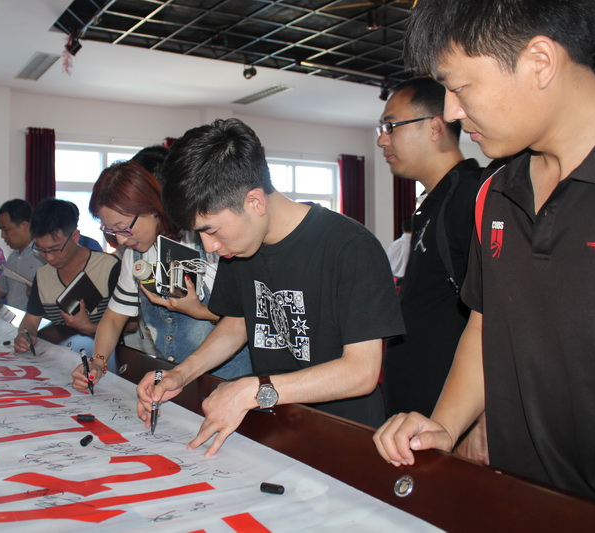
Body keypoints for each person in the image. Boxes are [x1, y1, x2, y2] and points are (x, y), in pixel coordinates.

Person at [373, 0, 595, 506]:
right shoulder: (494, 193)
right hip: (517, 492)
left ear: (539, 62)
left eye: (460, 88)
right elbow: (485, 326)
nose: (452, 112)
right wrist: (446, 424)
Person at [134, 118, 404, 457]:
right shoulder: (241, 247)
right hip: (275, 427)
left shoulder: (350, 247)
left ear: (255, 202)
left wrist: (255, 390)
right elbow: (239, 323)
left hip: (343, 436)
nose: (209, 246)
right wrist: (180, 374)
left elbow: (361, 372)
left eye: (211, 230)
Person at [70, 160, 251, 391]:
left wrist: (198, 310)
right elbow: (114, 318)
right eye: (111, 231)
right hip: (176, 378)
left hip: (228, 380)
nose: (121, 240)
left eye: (124, 228)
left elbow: (243, 319)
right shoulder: (135, 255)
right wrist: (98, 361)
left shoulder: (203, 241)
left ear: (153, 210)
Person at [378, 77, 483, 418]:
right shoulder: (434, 203)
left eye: (391, 126)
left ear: (435, 127)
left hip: (450, 414)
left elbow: (494, 320)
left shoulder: (471, 198)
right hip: (419, 409)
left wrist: (477, 419)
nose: (382, 139)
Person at [14, 198, 120, 355]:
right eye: (41, 250)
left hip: (105, 358)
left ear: (75, 236)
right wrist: (24, 335)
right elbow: (30, 321)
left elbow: (130, 325)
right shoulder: (43, 276)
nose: (49, 257)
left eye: (55, 249)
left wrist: (89, 327)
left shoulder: (108, 267)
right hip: (61, 357)